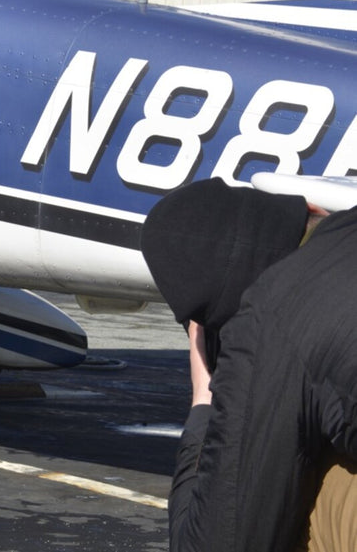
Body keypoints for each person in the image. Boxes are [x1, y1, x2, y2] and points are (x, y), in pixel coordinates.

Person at [141, 177, 357, 551]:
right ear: (314, 208)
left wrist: (205, 404)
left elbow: (216, 542)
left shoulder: (266, 318)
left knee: (318, 496)